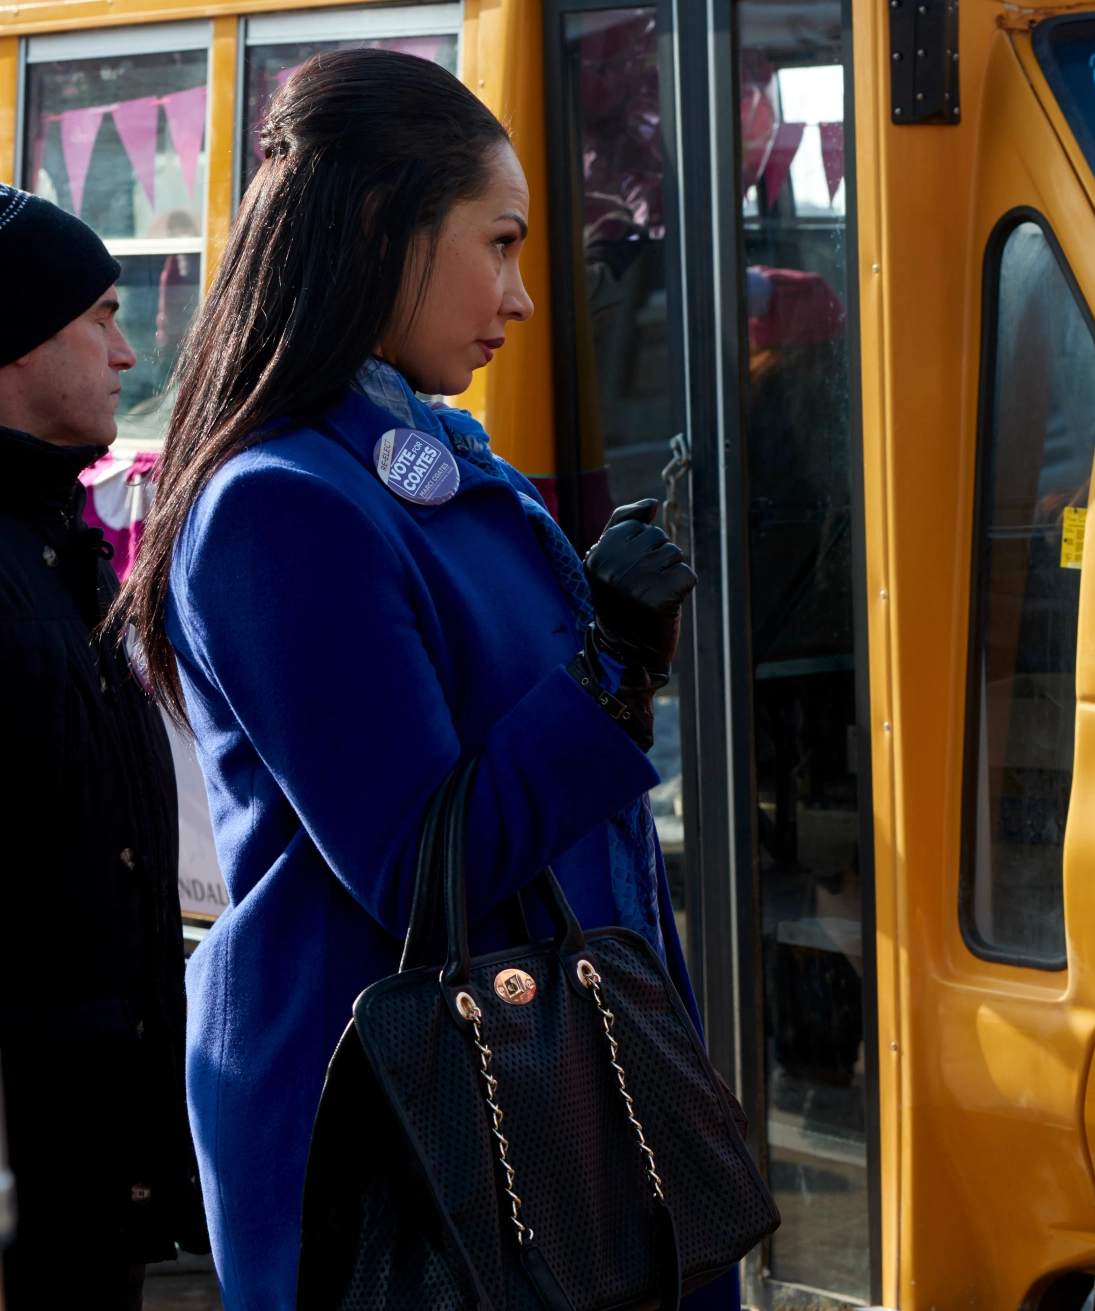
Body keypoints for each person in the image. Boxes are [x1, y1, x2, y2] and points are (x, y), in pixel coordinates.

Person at [112, 50, 712, 1309]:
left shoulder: (406, 452)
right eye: (498, 244)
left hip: (519, 1108)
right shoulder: (283, 503)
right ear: (384, 227)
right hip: (409, 1151)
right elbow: (418, 862)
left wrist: (612, 660)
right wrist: (609, 669)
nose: (523, 295)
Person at [0, 186, 204, 1308]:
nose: (130, 355)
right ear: (17, 336)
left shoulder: (53, 543)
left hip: (86, 1167)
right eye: (104, 316)